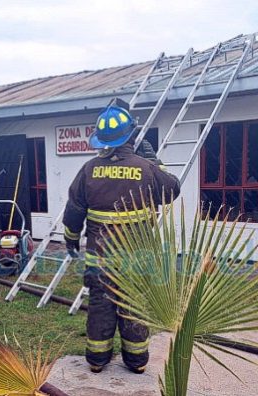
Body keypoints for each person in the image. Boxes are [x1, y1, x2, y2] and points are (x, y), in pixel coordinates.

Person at [62, 104, 180, 374]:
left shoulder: (89, 169)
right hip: (137, 260)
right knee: (134, 305)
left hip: (99, 258)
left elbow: (74, 211)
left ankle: (96, 360)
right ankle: (136, 362)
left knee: (101, 305)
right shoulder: (146, 168)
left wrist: (70, 240)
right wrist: (154, 160)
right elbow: (171, 190)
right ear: (131, 137)